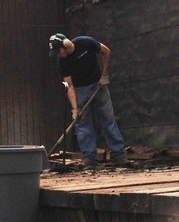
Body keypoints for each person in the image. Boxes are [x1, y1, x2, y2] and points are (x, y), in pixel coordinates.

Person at [48, 34, 128, 167]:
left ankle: (118, 154)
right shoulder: (63, 62)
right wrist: (75, 109)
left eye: (58, 51)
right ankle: (89, 158)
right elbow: (69, 85)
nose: (57, 55)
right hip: (80, 90)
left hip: (98, 84)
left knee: (108, 118)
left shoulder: (85, 42)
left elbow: (106, 52)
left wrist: (105, 75)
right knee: (82, 123)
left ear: (66, 45)